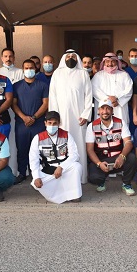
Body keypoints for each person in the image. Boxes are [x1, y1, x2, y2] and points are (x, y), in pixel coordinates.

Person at [48, 49, 93, 184]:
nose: (71, 58)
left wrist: (85, 115)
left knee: (78, 146)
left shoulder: (83, 73)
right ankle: (63, 176)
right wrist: (55, 118)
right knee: (62, 146)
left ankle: (81, 177)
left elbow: (88, 95)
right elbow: (53, 96)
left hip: (79, 118)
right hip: (61, 119)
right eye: (68, 56)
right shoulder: (57, 73)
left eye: (73, 56)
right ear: (64, 58)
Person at [86, 100, 137, 196]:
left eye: (108, 108)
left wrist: (122, 156)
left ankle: (126, 184)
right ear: (98, 111)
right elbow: (89, 150)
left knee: (132, 158)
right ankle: (101, 181)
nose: (105, 111)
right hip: (101, 160)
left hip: (117, 159)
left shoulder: (120, 122)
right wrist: (99, 163)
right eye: (102, 109)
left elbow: (128, 143)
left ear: (112, 110)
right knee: (94, 177)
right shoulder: (92, 126)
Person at [29, 111, 83, 204]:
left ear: (59, 123)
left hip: (64, 169)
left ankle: (74, 195)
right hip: (48, 170)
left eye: (55, 123)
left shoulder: (66, 135)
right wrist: (36, 177)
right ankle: (59, 193)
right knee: (35, 181)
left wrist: (61, 167)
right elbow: (33, 160)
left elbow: (75, 155)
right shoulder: (38, 138)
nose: (52, 125)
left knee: (77, 166)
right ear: (45, 123)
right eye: (49, 123)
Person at [11, 59, 49, 184]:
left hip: (38, 123)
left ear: (36, 69)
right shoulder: (16, 86)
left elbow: (45, 103)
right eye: (26, 68)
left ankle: (38, 173)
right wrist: (24, 117)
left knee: (39, 149)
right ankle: (22, 173)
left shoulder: (43, 85)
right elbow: (13, 104)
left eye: (31, 68)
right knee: (22, 149)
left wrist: (34, 117)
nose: (29, 70)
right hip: (22, 123)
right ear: (23, 70)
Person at [0, 47, 25, 177]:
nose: (8, 59)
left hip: (17, 112)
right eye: (5, 56)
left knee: (15, 141)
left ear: (14, 58)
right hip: (1, 113)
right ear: (2, 58)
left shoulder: (20, 72)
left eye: (10, 56)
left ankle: (15, 170)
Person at [91, 53, 134, 127]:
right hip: (103, 108)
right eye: (107, 61)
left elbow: (129, 90)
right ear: (104, 62)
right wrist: (108, 100)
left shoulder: (124, 75)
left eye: (112, 61)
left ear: (117, 62)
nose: (110, 64)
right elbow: (94, 90)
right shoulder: (98, 75)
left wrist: (117, 99)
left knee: (120, 129)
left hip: (119, 107)